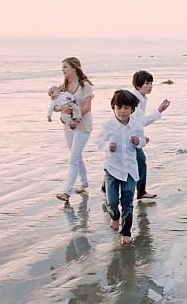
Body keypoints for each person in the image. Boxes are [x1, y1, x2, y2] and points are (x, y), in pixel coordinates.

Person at [97, 90, 146, 244]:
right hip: (112, 169)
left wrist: (139, 142)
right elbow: (98, 143)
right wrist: (107, 146)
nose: (122, 111)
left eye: (126, 108)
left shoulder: (135, 126)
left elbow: (143, 141)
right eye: (118, 107)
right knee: (111, 202)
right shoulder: (107, 126)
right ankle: (114, 217)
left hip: (130, 170)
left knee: (128, 203)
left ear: (132, 109)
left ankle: (126, 232)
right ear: (113, 108)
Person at [54, 57, 94, 203]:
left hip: (83, 125)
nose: (62, 69)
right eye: (62, 67)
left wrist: (74, 115)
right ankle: (84, 183)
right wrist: (61, 108)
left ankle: (67, 192)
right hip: (68, 126)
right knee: (75, 155)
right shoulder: (63, 86)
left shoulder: (85, 86)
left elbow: (87, 108)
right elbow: (55, 105)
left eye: (65, 67)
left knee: (73, 158)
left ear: (74, 68)